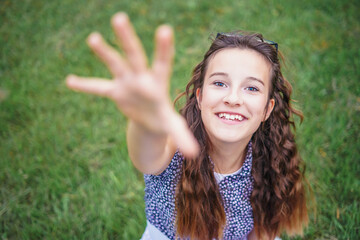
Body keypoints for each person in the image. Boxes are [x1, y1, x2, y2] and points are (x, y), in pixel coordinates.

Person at [66, 12, 308, 240]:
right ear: (200, 97)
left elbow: (263, 228)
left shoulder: (270, 156)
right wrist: (145, 122)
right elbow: (147, 157)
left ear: (267, 109)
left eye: (252, 88)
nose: (233, 98)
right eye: (220, 83)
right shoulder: (175, 146)